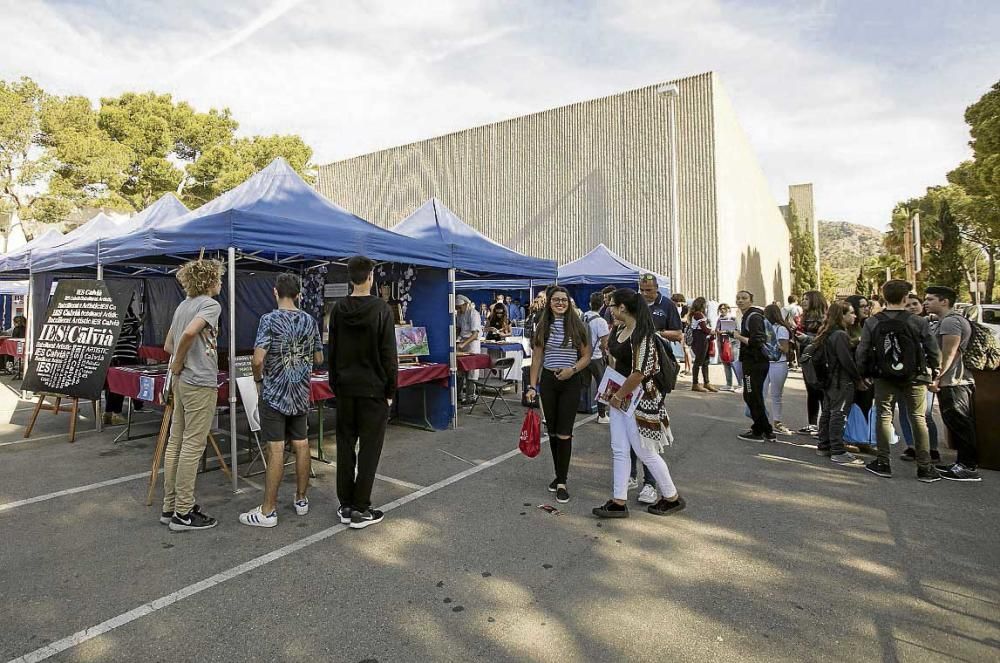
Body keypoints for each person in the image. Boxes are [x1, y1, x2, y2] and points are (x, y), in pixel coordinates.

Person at [240, 273, 324, 528]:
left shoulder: (269, 320)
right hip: (299, 392)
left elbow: (256, 359)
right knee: (301, 444)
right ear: (299, 294)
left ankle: (268, 510)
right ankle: (301, 499)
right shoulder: (309, 321)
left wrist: (258, 379)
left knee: (275, 449)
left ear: (275, 292)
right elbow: (319, 358)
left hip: (275, 393)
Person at [593, 287, 685, 518]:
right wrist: (612, 392)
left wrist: (617, 395)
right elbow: (615, 363)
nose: (609, 309)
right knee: (620, 449)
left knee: (645, 452)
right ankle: (618, 500)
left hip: (639, 400)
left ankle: (671, 496)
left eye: (612, 305)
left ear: (622, 307)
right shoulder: (620, 330)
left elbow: (639, 372)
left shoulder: (643, 335)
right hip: (620, 397)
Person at [328, 255, 399, 529]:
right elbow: (388, 354)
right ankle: (361, 506)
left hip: (345, 388)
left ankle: (346, 503)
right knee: (370, 449)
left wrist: (335, 383)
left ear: (350, 277)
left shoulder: (338, 309)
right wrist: (391, 389)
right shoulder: (381, 309)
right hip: (373, 390)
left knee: (345, 446)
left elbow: (331, 350)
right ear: (370, 277)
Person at [161, 258, 224, 531]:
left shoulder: (183, 306)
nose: (221, 283)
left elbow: (168, 344)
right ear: (210, 281)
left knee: (176, 442)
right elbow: (187, 334)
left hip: (182, 381)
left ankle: (171, 506)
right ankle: (183, 513)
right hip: (199, 380)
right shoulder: (210, 305)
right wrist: (179, 360)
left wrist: (177, 360)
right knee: (192, 446)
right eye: (219, 278)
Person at [856, 280, 941, 482]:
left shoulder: (872, 322)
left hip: (884, 376)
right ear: (905, 298)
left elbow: (863, 350)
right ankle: (925, 467)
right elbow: (932, 349)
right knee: (918, 418)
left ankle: (883, 462)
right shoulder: (918, 321)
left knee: (884, 416)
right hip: (915, 376)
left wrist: (863, 374)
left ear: (884, 297)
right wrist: (934, 369)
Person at [526, 285, 592, 504]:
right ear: (550, 302)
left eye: (564, 299)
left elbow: (586, 357)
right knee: (553, 432)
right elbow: (536, 359)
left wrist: (571, 370)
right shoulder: (543, 326)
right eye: (556, 300)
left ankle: (562, 482)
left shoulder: (577, 325)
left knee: (565, 432)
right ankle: (558, 474)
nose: (560, 303)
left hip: (570, 381)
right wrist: (532, 386)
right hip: (548, 381)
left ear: (569, 302)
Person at [634, 274, 683, 503]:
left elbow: (678, 333)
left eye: (649, 291)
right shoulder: (635, 303)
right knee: (631, 429)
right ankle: (631, 475)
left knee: (649, 429)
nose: (645, 294)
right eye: (642, 290)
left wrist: (657, 334)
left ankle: (650, 483)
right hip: (634, 374)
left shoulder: (668, 306)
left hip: (657, 374)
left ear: (657, 289)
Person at [925, 286, 981, 482]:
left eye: (930, 299)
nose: (926, 302)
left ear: (944, 301)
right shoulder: (947, 321)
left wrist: (937, 377)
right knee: (956, 423)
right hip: (952, 380)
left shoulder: (951, 322)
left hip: (955, 381)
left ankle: (968, 466)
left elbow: (950, 354)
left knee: (960, 422)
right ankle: (962, 463)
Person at [814, 301, 867, 466]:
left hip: (829, 380)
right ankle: (837, 450)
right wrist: (858, 379)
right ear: (841, 316)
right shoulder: (840, 335)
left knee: (828, 412)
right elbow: (846, 360)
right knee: (839, 414)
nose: (855, 315)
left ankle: (824, 445)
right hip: (840, 380)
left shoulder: (827, 332)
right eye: (851, 313)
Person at [898, 293, 941, 462]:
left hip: (925, 375)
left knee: (926, 413)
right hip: (903, 375)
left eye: (915, 303)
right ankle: (911, 446)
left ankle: (932, 448)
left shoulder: (931, 325)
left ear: (921, 305)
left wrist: (936, 374)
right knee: (904, 411)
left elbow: (936, 352)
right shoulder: (898, 325)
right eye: (907, 305)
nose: (912, 307)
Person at [734, 290, 775, 442]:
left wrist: (738, 336)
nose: (740, 301)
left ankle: (760, 430)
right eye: (738, 298)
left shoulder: (754, 317)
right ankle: (766, 429)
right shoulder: (749, 316)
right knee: (753, 395)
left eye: (744, 298)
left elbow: (757, 340)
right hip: (754, 362)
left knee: (752, 395)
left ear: (751, 300)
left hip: (755, 362)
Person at [104, 303, 142, 426]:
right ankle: (117, 413)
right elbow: (125, 330)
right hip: (125, 352)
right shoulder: (125, 312)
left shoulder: (112, 310)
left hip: (114, 353)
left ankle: (108, 412)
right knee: (120, 385)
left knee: (113, 385)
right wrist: (137, 325)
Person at [795, 291, 828, 435]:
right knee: (811, 392)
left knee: (820, 392)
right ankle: (812, 424)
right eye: (803, 299)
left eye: (806, 299)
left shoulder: (823, 319)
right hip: (806, 359)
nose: (803, 301)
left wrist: (806, 338)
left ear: (815, 301)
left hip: (818, 360)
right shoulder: (804, 317)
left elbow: (824, 339)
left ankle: (824, 425)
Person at [763, 303, 793, 435]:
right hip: (765, 363)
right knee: (761, 393)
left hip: (778, 363)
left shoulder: (781, 329)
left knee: (776, 395)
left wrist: (770, 343)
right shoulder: (765, 327)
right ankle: (762, 422)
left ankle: (777, 421)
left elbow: (785, 349)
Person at [583, 292, 611, 424]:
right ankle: (602, 414)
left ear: (590, 303)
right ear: (602, 305)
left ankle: (580, 407)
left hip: (582, 357)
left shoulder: (583, 316)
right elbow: (604, 343)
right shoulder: (601, 321)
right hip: (596, 358)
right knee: (602, 385)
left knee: (581, 384)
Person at [455, 294, 482, 405]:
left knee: (471, 371)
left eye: (460, 307)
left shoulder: (473, 314)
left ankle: (471, 396)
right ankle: (458, 395)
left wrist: (464, 344)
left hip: (472, 345)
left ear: (466, 304)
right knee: (460, 370)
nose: (458, 309)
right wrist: (455, 340)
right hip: (463, 342)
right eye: (457, 307)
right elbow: (458, 328)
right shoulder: (459, 314)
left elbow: (475, 334)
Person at [688, 297, 717, 392]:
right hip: (700, 339)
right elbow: (704, 329)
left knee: (705, 361)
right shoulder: (698, 315)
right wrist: (713, 331)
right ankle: (695, 383)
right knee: (698, 362)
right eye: (705, 304)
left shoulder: (699, 314)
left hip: (703, 339)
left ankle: (706, 382)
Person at [716, 303, 738, 391]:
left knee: (734, 363)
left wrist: (725, 331)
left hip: (731, 343)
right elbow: (717, 330)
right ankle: (729, 384)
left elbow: (736, 330)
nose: (722, 310)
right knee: (725, 363)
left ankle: (741, 384)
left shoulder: (732, 318)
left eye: (724, 308)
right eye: (721, 309)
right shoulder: (719, 319)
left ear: (728, 309)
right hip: (721, 343)